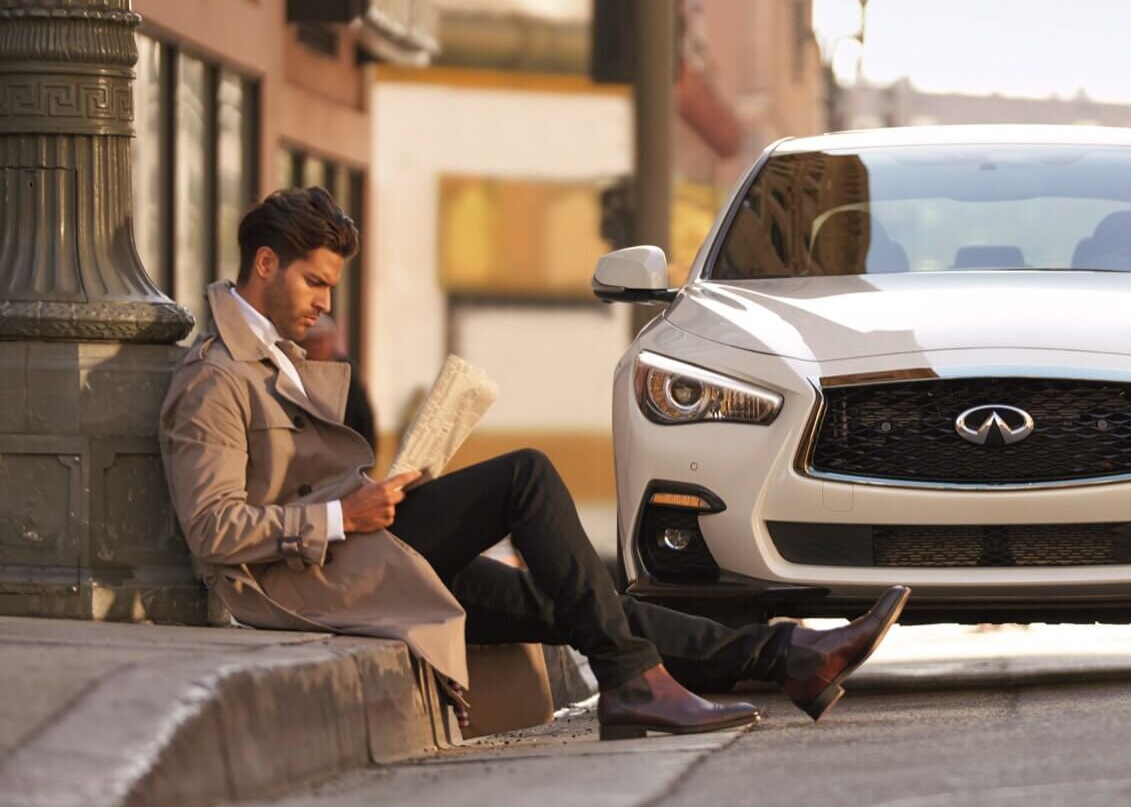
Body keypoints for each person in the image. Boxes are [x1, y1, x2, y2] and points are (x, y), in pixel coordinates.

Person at [158, 187, 908, 740]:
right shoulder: (215, 378)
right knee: (526, 475)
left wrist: (374, 493)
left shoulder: (275, 359)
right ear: (264, 263)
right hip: (309, 579)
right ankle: (635, 683)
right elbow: (213, 529)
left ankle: (788, 654)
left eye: (330, 286)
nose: (324, 302)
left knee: (575, 602)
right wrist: (339, 514)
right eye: (314, 281)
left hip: (354, 547)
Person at [297, 313, 377, 451]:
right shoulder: (294, 370)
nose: (318, 346)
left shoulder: (347, 370)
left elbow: (362, 415)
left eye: (322, 340)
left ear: (332, 340)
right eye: (313, 341)